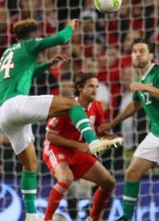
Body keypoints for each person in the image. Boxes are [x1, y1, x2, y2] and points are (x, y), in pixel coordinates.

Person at [0, 19, 120, 221]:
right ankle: (93, 142)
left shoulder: (8, 53)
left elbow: (27, 73)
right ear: (33, 35)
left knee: (30, 165)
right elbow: (61, 38)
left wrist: (47, 64)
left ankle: (31, 215)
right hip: (16, 104)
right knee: (72, 105)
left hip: (2, 114)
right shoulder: (30, 44)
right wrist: (70, 25)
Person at [106, 39, 159, 221]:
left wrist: (145, 87)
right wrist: (112, 124)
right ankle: (126, 217)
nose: (137, 54)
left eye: (141, 51)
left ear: (150, 56)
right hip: (156, 133)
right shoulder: (140, 80)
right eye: (134, 51)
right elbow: (134, 106)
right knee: (131, 172)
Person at [42, 73, 117, 221]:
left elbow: (97, 131)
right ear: (80, 88)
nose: (95, 90)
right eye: (90, 86)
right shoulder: (66, 107)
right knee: (66, 179)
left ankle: (93, 218)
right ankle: (48, 218)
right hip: (56, 148)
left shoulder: (97, 106)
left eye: (96, 87)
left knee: (109, 182)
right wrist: (79, 145)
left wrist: (108, 137)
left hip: (78, 151)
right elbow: (50, 136)